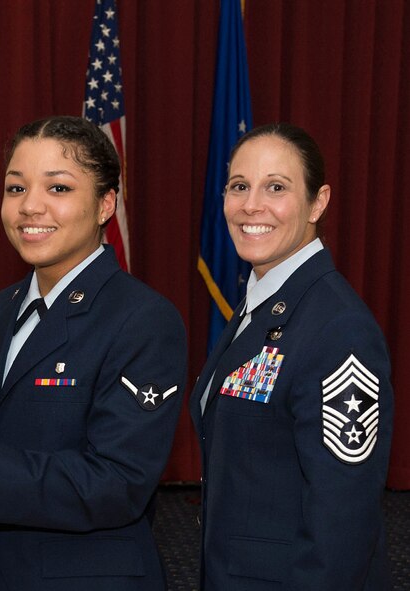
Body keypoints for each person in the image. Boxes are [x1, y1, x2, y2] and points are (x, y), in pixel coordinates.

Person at [0, 115, 187, 590]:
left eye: (58, 189)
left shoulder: (143, 319)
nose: (30, 207)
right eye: (16, 189)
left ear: (105, 204)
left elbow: (118, 483)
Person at [190, 122, 394, 589]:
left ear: (318, 202)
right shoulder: (261, 303)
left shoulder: (338, 327)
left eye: (275, 187)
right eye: (238, 186)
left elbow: (342, 519)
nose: (251, 205)